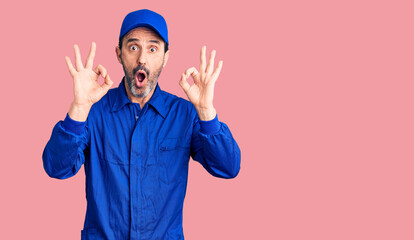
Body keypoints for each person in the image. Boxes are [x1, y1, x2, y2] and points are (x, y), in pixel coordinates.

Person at [43, 9, 241, 240]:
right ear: (119, 54)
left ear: (166, 57)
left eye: (153, 48)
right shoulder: (93, 110)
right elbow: (57, 168)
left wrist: (207, 112)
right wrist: (78, 108)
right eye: (133, 47)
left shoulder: (186, 114)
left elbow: (228, 167)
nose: (142, 59)